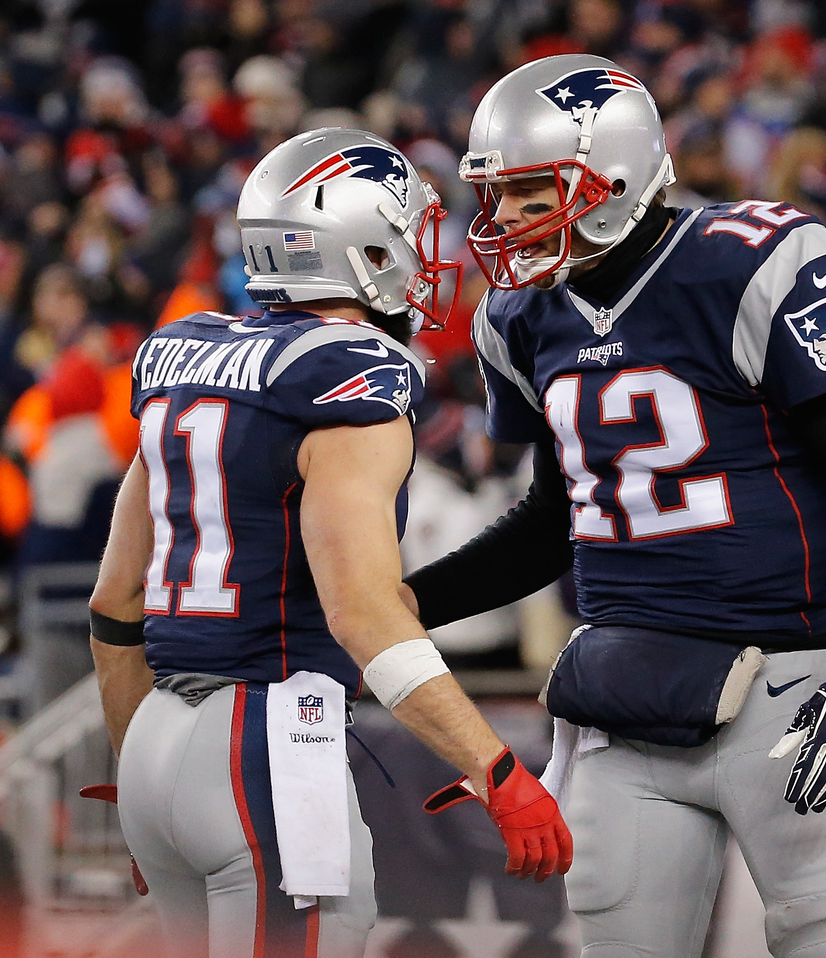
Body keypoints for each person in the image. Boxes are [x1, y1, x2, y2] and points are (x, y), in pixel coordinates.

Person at [400, 55, 826, 957]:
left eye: (532, 192)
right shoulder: (521, 318)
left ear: (614, 176)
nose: (506, 219)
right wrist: (402, 607)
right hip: (625, 694)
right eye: (497, 195)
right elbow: (554, 523)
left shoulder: (749, 263)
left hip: (784, 687)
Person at [87, 128, 572, 958]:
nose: (422, 258)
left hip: (155, 740)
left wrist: (143, 773)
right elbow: (362, 613)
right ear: (363, 249)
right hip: (267, 741)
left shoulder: (181, 353)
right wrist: (495, 769)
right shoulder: (353, 372)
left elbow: (115, 602)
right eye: (407, 236)